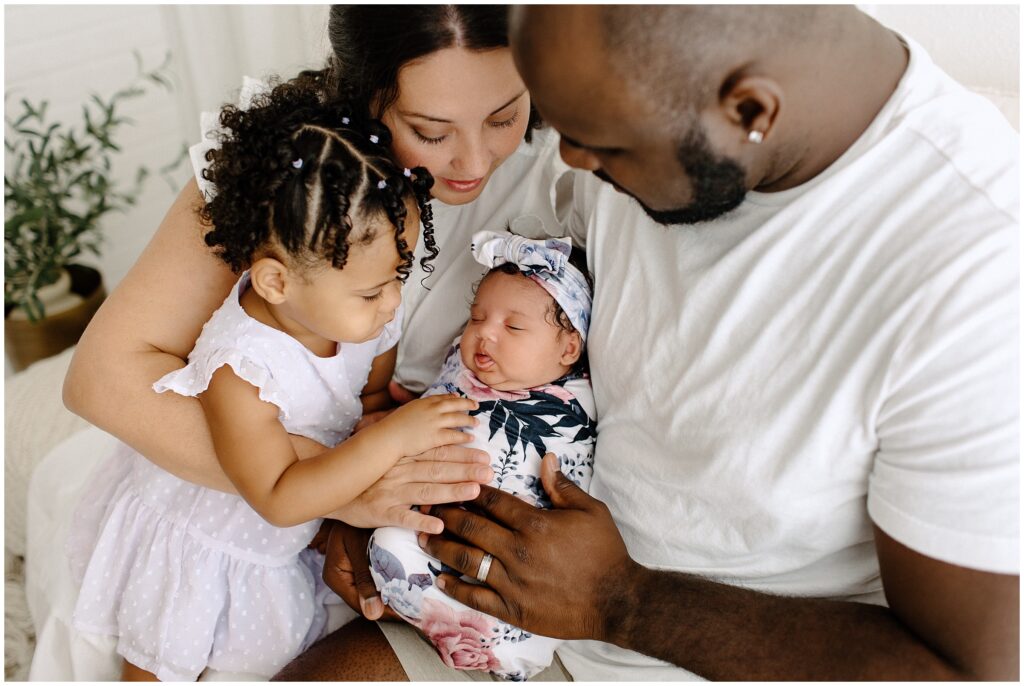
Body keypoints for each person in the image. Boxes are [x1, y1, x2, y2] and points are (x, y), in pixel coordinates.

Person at [285, 4, 1018, 681]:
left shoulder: (974, 273)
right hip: (500, 608)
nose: (567, 159)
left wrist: (622, 602)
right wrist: (374, 500)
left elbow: (964, 671)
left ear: (750, 110)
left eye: (598, 142)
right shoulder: (635, 99)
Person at [41, 5, 572, 681]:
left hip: (345, 484)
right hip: (231, 476)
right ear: (365, 91)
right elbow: (101, 381)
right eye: (429, 132)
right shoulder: (294, 171)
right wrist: (337, 490)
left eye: (504, 115)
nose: (473, 161)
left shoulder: (566, 167)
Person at [67, 79, 481, 681]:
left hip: (287, 527)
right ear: (275, 283)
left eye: (402, 272)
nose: (393, 301)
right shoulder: (241, 369)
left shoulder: (364, 315)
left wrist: (381, 417)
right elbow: (279, 496)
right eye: (372, 290)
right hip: (209, 536)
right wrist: (385, 445)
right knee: (162, 659)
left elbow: (364, 395)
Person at [368, 230, 596, 680]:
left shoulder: (574, 404)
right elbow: (431, 401)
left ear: (569, 349)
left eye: (513, 327)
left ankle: (500, 647)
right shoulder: (462, 363)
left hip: (515, 556)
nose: (484, 334)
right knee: (388, 546)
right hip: (432, 529)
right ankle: (449, 627)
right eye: (477, 318)